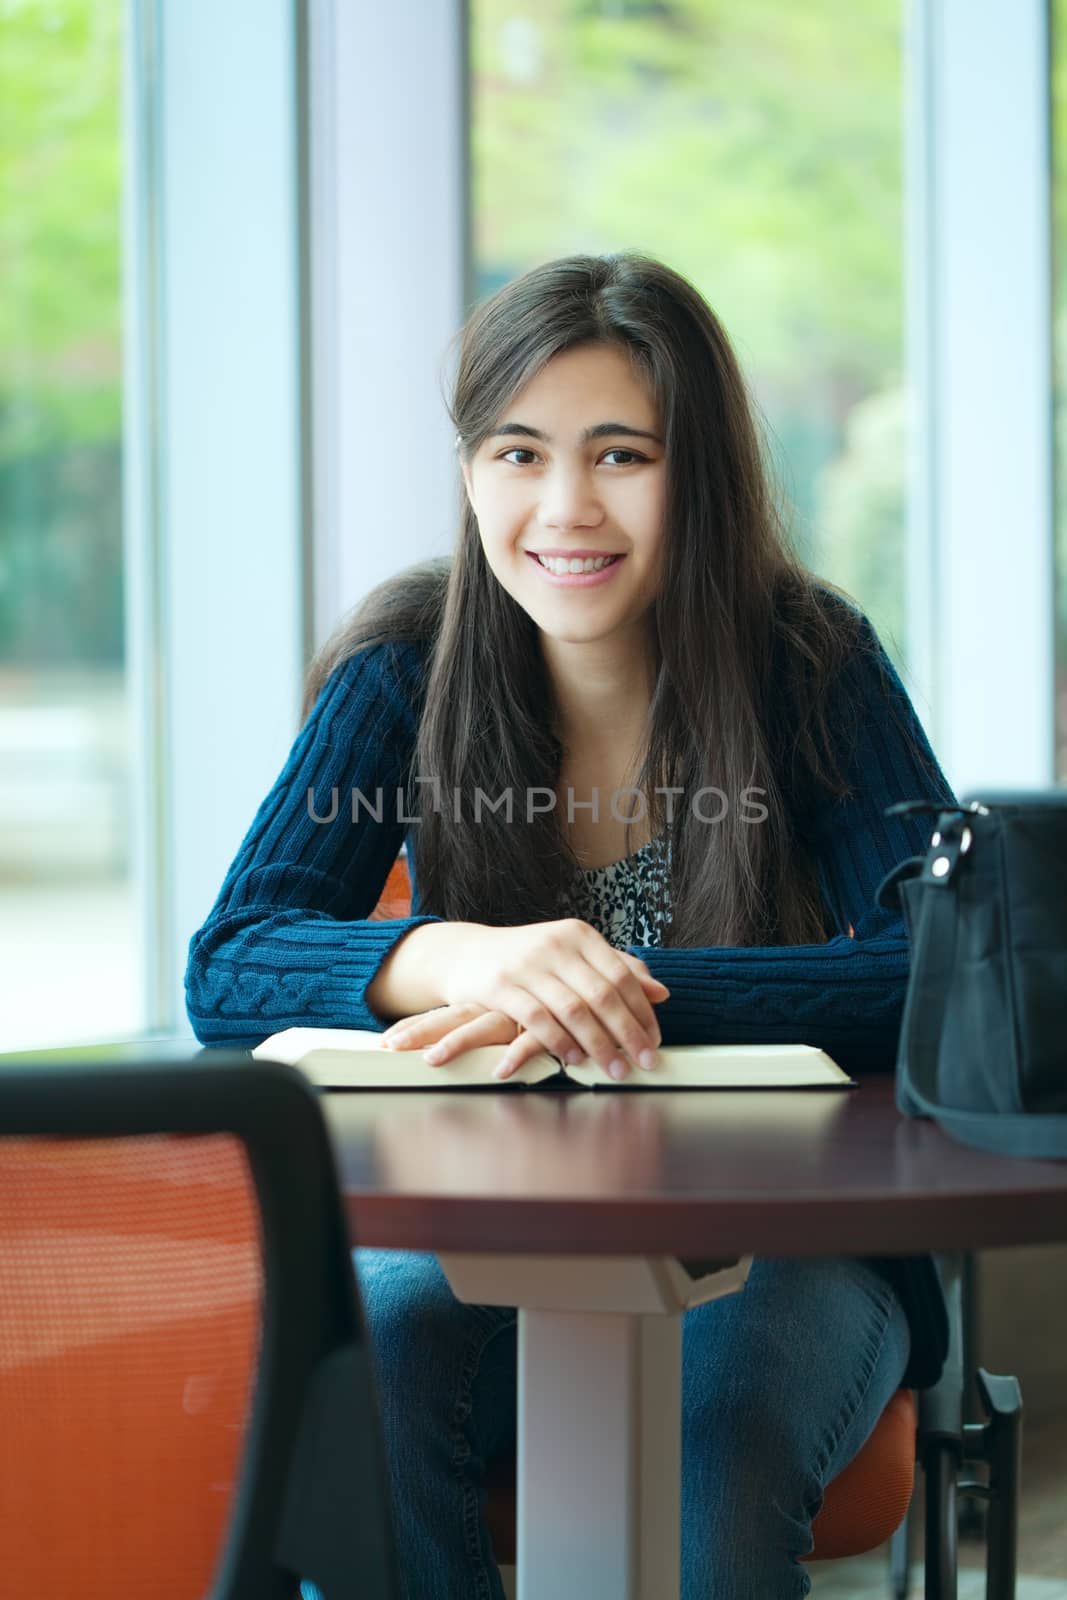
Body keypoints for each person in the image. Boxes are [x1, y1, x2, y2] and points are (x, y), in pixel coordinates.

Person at [186, 252, 954, 1599]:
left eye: (620, 456)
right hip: (481, 1231)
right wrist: (459, 958)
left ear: (698, 469)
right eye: (517, 453)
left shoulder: (813, 660)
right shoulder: (407, 665)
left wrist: (611, 993)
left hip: (788, 1234)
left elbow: (934, 970)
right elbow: (233, 958)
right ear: (472, 471)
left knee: (712, 1456)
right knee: (365, 1379)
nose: (563, 509)